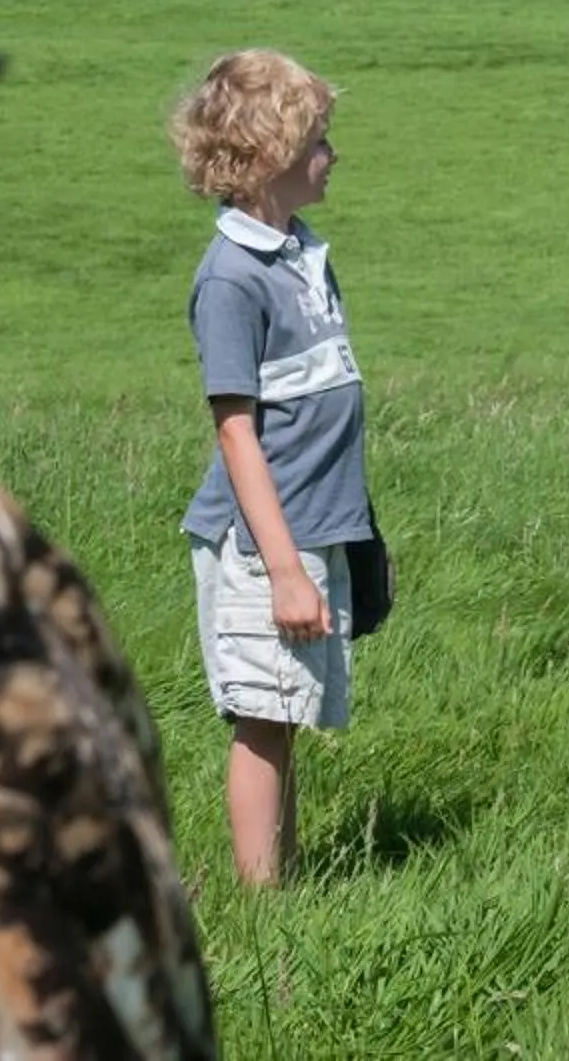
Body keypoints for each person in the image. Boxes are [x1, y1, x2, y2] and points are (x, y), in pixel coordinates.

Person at [170, 48, 378, 887]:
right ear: (270, 155)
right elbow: (236, 434)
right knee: (261, 717)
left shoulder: (301, 254)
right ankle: (264, 908)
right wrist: (285, 570)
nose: (333, 154)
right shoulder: (230, 280)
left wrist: (356, 535)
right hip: (265, 545)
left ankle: (284, 881)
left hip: (315, 529)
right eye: (321, 139)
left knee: (288, 711)